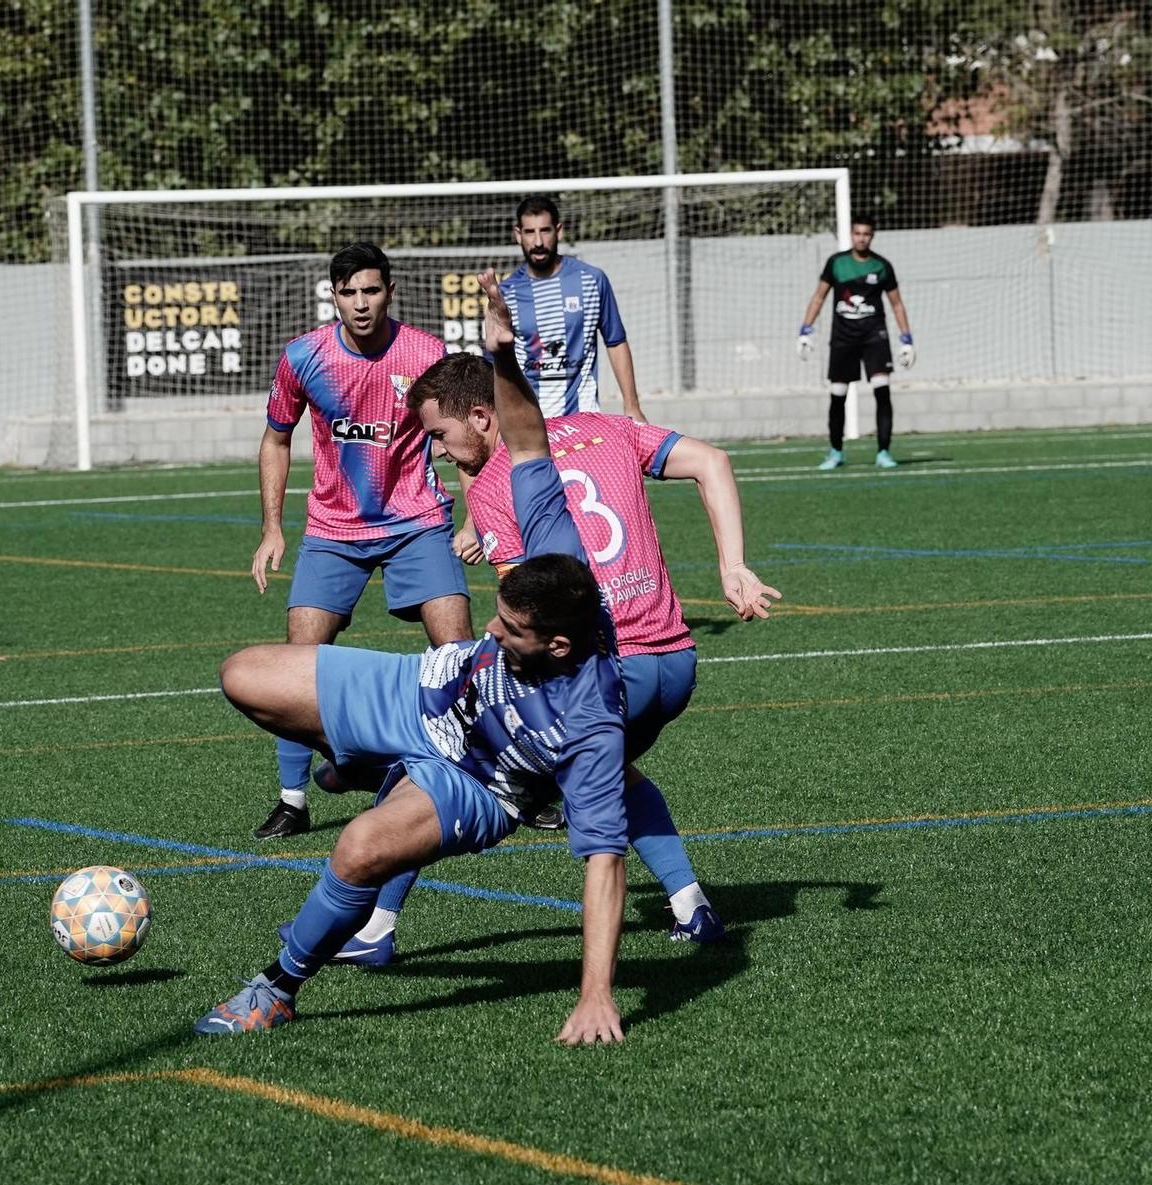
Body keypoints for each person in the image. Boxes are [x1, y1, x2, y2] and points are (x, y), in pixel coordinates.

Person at [198, 269, 637, 1045]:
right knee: (244, 673)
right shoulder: (558, 558)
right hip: (416, 690)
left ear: (560, 646)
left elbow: (603, 864)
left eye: (509, 634)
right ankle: (371, 763)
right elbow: (529, 437)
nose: (491, 637)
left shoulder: (592, 721)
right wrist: (503, 356)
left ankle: (278, 984)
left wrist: (596, 993)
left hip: (472, 781)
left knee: (359, 848)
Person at [293, 353, 778, 968]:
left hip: (603, 673)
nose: (438, 452)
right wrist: (733, 566)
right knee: (614, 771)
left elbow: (528, 617)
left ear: (482, 416)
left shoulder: (503, 484)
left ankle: (375, 925)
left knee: (442, 767)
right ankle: (691, 906)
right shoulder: (606, 428)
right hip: (674, 663)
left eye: (439, 435)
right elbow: (712, 461)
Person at [247, 241, 473, 839]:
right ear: (334, 296)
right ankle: (293, 801)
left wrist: (478, 518)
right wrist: (273, 527)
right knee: (298, 664)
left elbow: (463, 440)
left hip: (417, 520)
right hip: (332, 530)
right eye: (349, 292)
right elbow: (276, 439)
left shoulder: (426, 353)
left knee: (458, 650)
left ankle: (487, 771)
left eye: (371, 290)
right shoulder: (303, 357)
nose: (361, 303)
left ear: (390, 292)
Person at [500, 195, 645, 420]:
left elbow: (615, 342)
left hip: (583, 418)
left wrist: (632, 406)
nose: (538, 242)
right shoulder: (506, 293)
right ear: (518, 234)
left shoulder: (591, 280)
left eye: (545, 230)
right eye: (530, 232)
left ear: (559, 231)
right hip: (529, 425)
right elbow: (495, 365)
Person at [799, 216, 915, 470]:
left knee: (881, 390)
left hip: (875, 336)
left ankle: (884, 452)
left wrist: (906, 338)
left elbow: (896, 303)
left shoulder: (882, 266)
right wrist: (805, 330)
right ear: (852, 235)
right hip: (843, 338)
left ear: (872, 236)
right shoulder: (836, 263)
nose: (862, 238)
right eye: (858, 233)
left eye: (866, 234)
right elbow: (819, 297)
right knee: (838, 394)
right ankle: (835, 452)